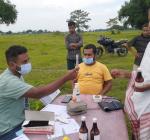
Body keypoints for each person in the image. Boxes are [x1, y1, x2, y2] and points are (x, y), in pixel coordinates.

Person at [0, 45, 78, 140]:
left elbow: (32, 91)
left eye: (28, 60)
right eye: (24, 62)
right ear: (12, 64)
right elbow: (37, 93)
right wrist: (66, 77)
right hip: (10, 130)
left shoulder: (16, 74)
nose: (28, 63)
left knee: (58, 121)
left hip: (22, 119)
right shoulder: (9, 81)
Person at [111, 42, 150, 140]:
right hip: (141, 103)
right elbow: (145, 72)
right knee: (137, 134)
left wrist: (144, 87)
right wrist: (126, 74)